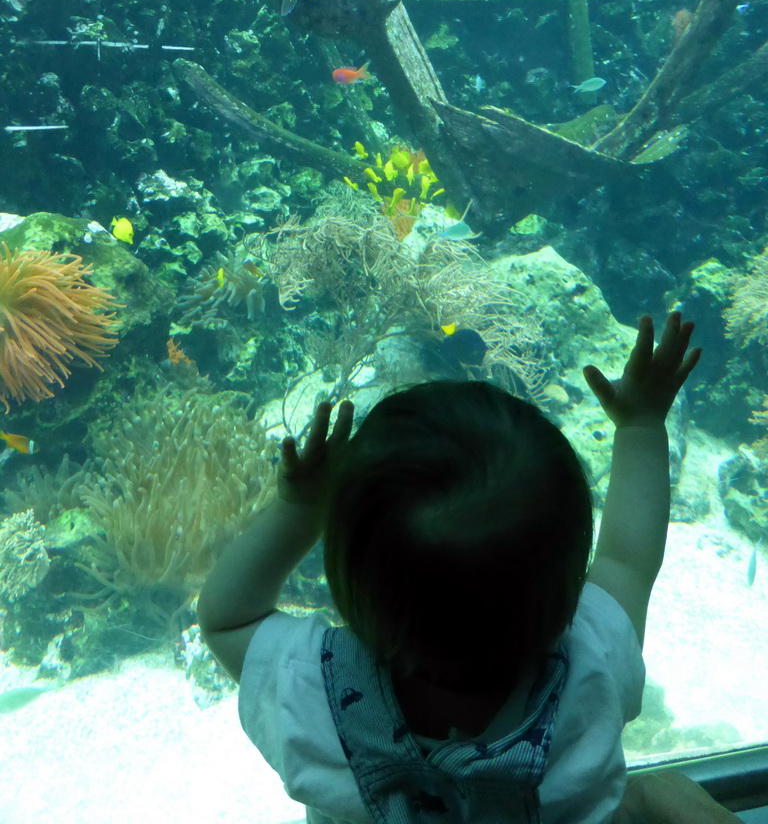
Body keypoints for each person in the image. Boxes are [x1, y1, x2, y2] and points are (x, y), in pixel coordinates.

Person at [197, 311, 737, 822]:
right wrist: (642, 423)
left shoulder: (316, 696)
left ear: (349, 582)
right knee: (667, 794)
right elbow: (627, 556)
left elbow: (227, 618)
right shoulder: (591, 671)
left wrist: (298, 509)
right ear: (564, 587)